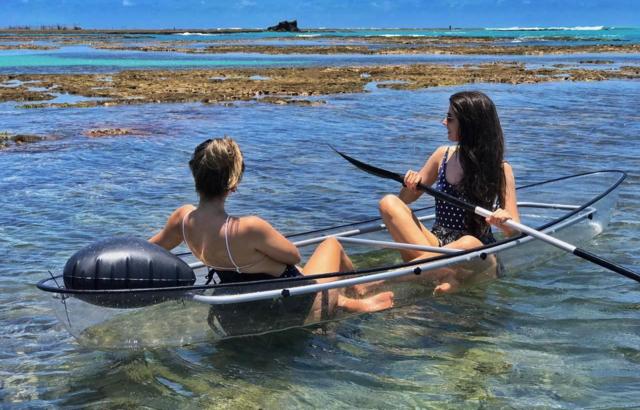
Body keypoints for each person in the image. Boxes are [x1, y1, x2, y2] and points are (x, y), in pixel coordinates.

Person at [149, 137, 393, 331]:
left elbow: (150, 251)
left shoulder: (182, 219)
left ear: (195, 174)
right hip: (297, 309)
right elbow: (293, 256)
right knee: (332, 245)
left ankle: (345, 302)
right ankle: (354, 295)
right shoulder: (248, 228)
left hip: (241, 317)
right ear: (233, 184)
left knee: (272, 266)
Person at [378, 91, 520, 294]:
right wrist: (410, 184)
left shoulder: (500, 169)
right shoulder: (441, 156)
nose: (444, 122)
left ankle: (378, 283)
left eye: (451, 119)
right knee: (389, 202)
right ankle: (444, 276)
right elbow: (403, 201)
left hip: (477, 254)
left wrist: (504, 220)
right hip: (435, 246)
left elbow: (516, 232)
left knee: (467, 243)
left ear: (469, 124)